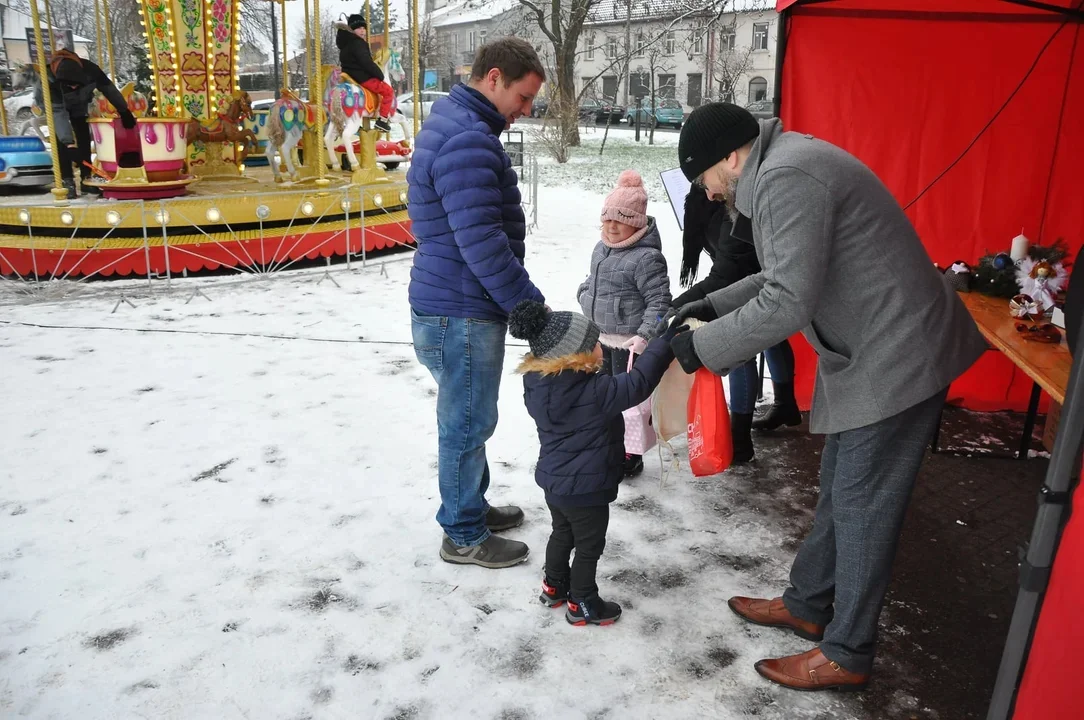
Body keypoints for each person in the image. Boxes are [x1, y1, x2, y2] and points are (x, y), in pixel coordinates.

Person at [669, 103, 987, 691]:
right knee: (844, 488)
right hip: (874, 351)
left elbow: (789, 299)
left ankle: (848, 651)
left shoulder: (787, 176)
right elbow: (781, 275)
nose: (709, 193)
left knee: (864, 506)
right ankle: (809, 603)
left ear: (730, 159)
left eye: (705, 178)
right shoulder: (779, 167)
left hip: (899, 356)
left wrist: (704, 346)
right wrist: (712, 306)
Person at [407, 38, 546, 569]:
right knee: (465, 422)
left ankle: (471, 506)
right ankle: (463, 533)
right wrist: (526, 306)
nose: (526, 109)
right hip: (461, 308)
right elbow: (482, 242)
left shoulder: (458, 124)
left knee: (470, 418)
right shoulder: (469, 139)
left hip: (452, 301)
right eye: (524, 96)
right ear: (494, 78)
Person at [508, 300, 678, 626]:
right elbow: (640, 382)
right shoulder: (595, 392)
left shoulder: (538, 385)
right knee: (588, 547)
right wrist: (663, 342)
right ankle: (582, 602)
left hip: (555, 485)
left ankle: (554, 585)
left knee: (562, 533)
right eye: (595, 344)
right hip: (587, 490)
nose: (601, 347)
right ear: (578, 357)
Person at [676, 188, 800, 463]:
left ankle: (740, 441)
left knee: (740, 344)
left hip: (753, 277)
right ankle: (785, 404)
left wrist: (680, 305)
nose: (709, 193)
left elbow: (724, 276)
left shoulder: (729, 214)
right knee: (772, 336)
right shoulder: (713, 203)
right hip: (755, 273)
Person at [576, 169, 671, 477]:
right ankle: (606, 441)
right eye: (607, 219)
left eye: (621, 220)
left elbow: (660, 303)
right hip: (600, 337)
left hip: (628, 343)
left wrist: (644, 335)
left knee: (626, 400)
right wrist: (584, 293)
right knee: (600, 394)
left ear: (636, 223)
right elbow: (595, 279)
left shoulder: (646, 258)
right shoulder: (601, 247)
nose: (612, 226)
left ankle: (630, 452)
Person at [49, 47, 136, 197]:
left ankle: (86, 178)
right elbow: (58, 113)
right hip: (58, 107)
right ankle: (67, 180)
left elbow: (109, 89)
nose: (74, 87)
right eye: (70, 86)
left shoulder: (91, 71)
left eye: (77, 84)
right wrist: (69, 143)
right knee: (62, 144)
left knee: (83, 137)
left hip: (79, 107)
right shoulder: (49, 79)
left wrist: (123, 110)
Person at [336, 14, 394, 133]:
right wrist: (379, 74)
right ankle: (382, 121)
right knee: (388, 91)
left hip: (350, 77)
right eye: (359, 28)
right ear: (352, 30)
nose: (362, 31)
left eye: (364, 28)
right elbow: (366, 63)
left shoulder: (344, 44)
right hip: (363, 78)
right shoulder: (358, 43)